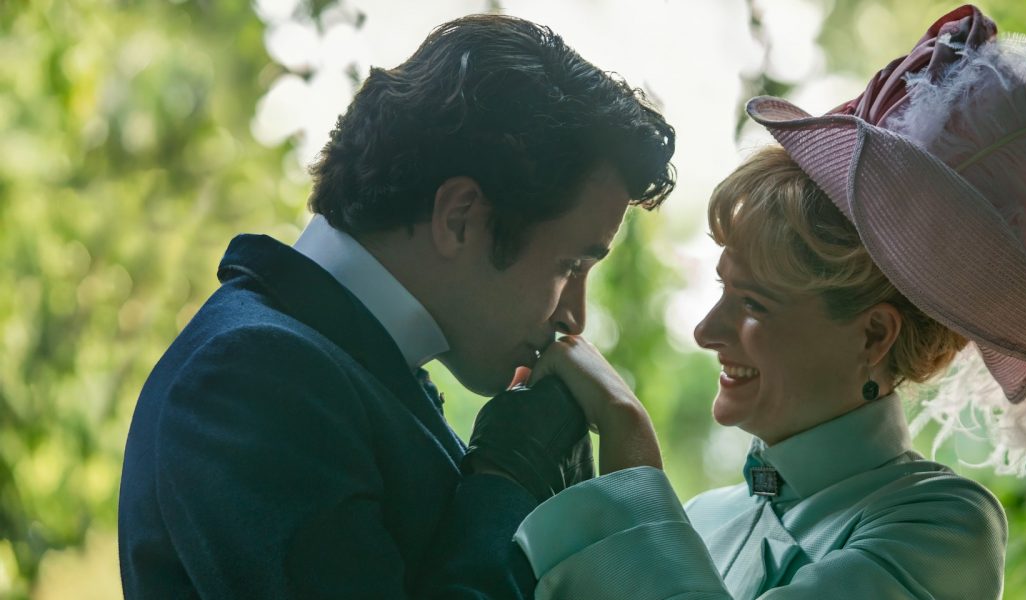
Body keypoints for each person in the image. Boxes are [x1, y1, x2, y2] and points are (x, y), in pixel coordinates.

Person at [507, 5, 1026, 599]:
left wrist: (629, 446)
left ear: (872, 336)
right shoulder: (705, 517)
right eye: (721, 290)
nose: (706, 331)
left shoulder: (941, 526)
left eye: (753, 304)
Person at [117, 14, 675, 599]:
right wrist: (509, 473)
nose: (574, 319)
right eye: (570, 266)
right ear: (460, 218)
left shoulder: (347, 369)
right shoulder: (250, 376)